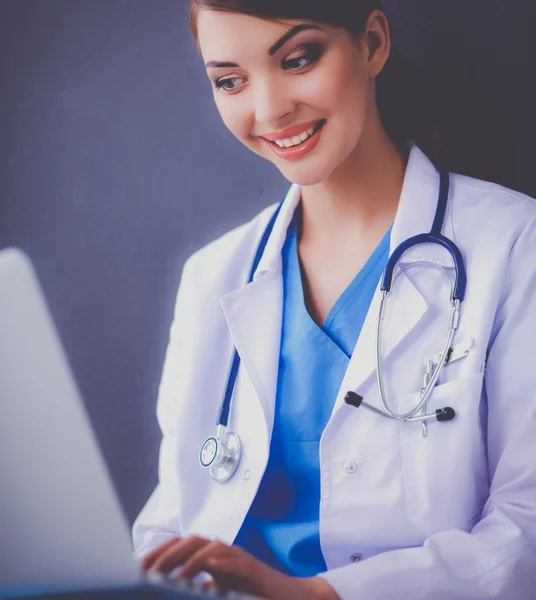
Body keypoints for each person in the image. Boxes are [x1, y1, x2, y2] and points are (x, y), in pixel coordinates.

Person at [132, 1, 536, 598]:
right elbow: (171, 518)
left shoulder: (513, 244)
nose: (269, 110)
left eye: (298, 59)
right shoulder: (212, 277)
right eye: (230, 81)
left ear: (372, 43)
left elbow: (525, 531)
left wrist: (317, 596)